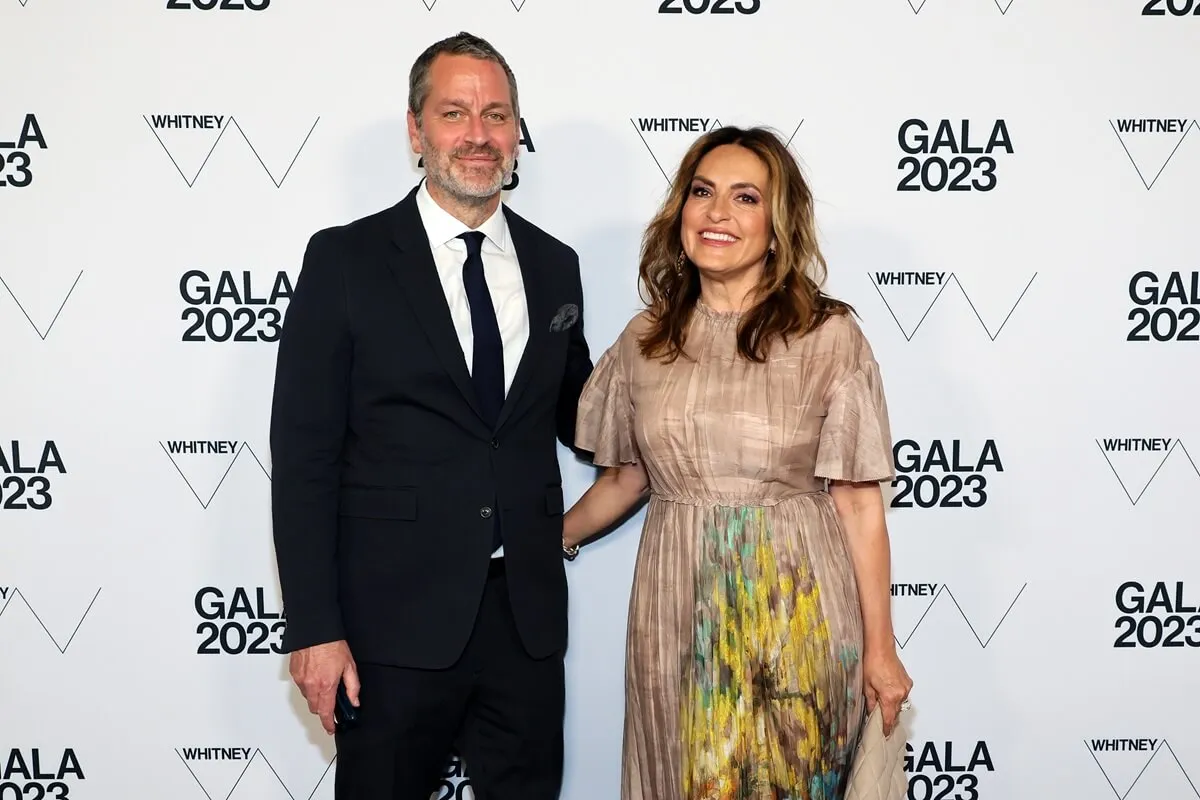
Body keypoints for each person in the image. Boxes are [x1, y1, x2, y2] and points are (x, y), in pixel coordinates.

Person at [268, 31, 593, 800]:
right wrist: (315, 627)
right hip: (389, 628)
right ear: (416, 131)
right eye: (455, 113)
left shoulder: (556, 266)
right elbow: (305, 456)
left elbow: (582, 415)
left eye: (497, 115)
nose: (478, 135)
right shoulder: (345, 260)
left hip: (525, 626)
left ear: (518, 133)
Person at [562, 126, 913, 799]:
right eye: (702, 192)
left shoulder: (827, 336)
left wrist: (881, 649)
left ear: (777, 228)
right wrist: (548, 537)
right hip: (676, 606)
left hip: (797, 605)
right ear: (680, 212)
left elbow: (861, 504)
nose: (717, 213)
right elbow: (629, 476)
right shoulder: (644, 339)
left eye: (745, 198)